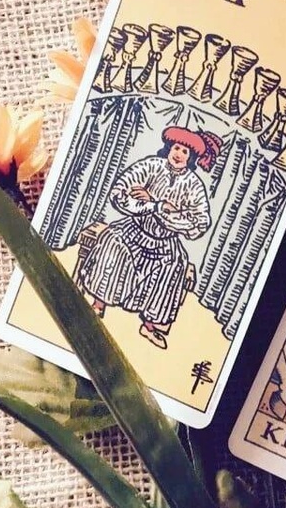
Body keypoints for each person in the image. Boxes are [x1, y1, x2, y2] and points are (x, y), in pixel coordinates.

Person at [77, 125, 219, 349]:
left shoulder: (194, 185)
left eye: (185, 152)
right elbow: (120, 192)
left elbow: (199, 223)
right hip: (133, 230)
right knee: (113, 243)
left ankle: (150, 326)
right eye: (176, 148)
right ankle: (98, 304)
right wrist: (156, 206)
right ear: (169, 147)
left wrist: (160, 209)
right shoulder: (151, 165)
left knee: (173, 266)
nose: (179, 154)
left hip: (165, 241)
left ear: (191, 158)